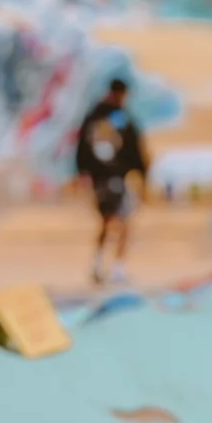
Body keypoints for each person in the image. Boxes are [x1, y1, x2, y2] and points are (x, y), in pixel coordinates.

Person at [76, 77, 146, 284]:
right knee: (122, 223)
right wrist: (142, 174)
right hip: (115, 177)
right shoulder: (121, 118)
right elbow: (134, 149)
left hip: (102, 178)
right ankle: (116, 267)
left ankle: (100, 264)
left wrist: (83, 172)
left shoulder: (95, 117)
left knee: (107, 222)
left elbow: (82, 147)